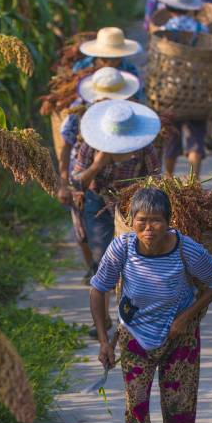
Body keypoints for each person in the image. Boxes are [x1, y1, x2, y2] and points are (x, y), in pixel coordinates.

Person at [89, 187, 212, 423]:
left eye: (156, 221)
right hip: (135, 338)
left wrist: (186, 317)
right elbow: (97, 289)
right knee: (135, 405)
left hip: (180, 339)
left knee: (178, 405)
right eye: (141, 221)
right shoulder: (122, 248)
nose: (148, 229)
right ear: (131, 221)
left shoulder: (186, 249)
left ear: (169, 222)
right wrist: (104, 340)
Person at [56, 28, 144, 283]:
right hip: (93, 185)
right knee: (85, 230)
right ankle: (96, 270)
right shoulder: (82, 114)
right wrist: (66, 179)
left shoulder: (131, 102)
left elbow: (150, 162)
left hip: (122, 187)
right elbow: (67, 146)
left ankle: (104, 277)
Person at [71, 99, 161, 337]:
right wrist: (98, 165)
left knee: (134, 262)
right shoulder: (90, 147)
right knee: (103, 258)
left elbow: (156, 178)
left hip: (131, 205)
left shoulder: (144, 148)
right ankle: (104, 319)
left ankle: (131, 316)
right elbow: (77, 179)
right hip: (97, 200)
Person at [152, 0, 210, 177]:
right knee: (196, 137)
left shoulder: (165, 30)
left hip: (172, 90)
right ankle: (194, 181)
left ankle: (168, 177)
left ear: (169, 7)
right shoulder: (201, 29)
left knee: (171, 136)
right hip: (196, 90)